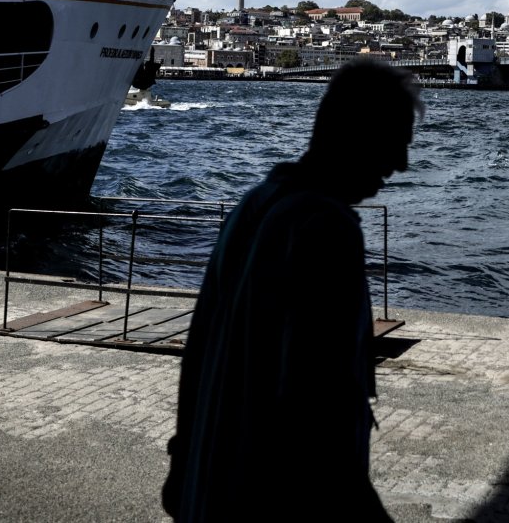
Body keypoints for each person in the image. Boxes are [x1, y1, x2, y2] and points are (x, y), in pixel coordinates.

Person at [162, 58, 423, 522]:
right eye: (395, 143)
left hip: (214, 483)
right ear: (359, 134)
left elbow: (198, 346)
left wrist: (183, 458)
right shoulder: (326, 228)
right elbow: (316, 409)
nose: (400, 165)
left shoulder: (256, 203)